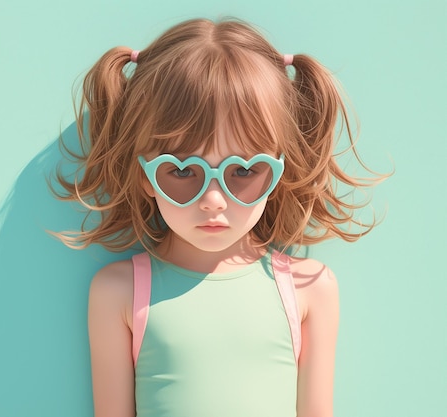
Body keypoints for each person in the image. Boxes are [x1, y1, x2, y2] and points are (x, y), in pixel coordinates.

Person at [56, 17, 384, 417]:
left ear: (278, 173)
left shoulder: (310, 288)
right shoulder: (117, 292)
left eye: (244, 172)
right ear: (144, 175)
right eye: (181, 171)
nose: (213, 200)